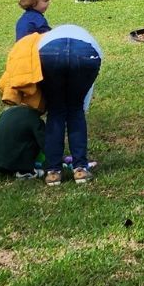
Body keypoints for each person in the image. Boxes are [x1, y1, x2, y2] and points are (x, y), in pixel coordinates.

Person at [37, 22, 103, 185]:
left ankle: (53, 172)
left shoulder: (45, 39)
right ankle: (80, 169)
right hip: (87, 54)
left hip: (48, 54)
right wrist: (78, 107)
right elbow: (84, 98)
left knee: (56, 110)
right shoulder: (89, 40)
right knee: (75, 109)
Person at [0, 105, 46, 178]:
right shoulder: (35, 120)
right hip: (9, 165)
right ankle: (24, 171)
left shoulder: (8, 112)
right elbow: (46, 145)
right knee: (35, 138)